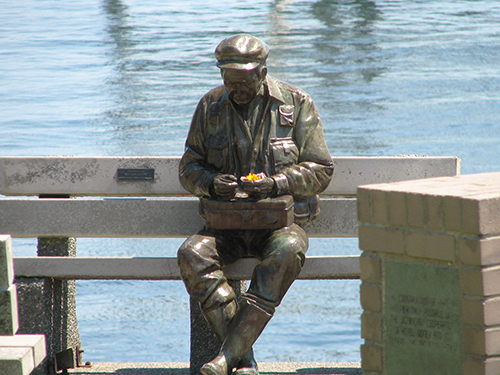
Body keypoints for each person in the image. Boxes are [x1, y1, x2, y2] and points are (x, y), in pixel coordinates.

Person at [177, 34, 333, 375]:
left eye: (243, 82)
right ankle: (240, 358)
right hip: (226, 226)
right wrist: (209, 182)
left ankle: (226, 358)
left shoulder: (296, 104)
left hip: (279, 225)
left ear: (262, 73)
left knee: (288, 250)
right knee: (193, 253)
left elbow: (321, 169)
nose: (236, 89)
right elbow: (189, 168)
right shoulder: (210, 107)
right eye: (229, 81)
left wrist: (277, 183)